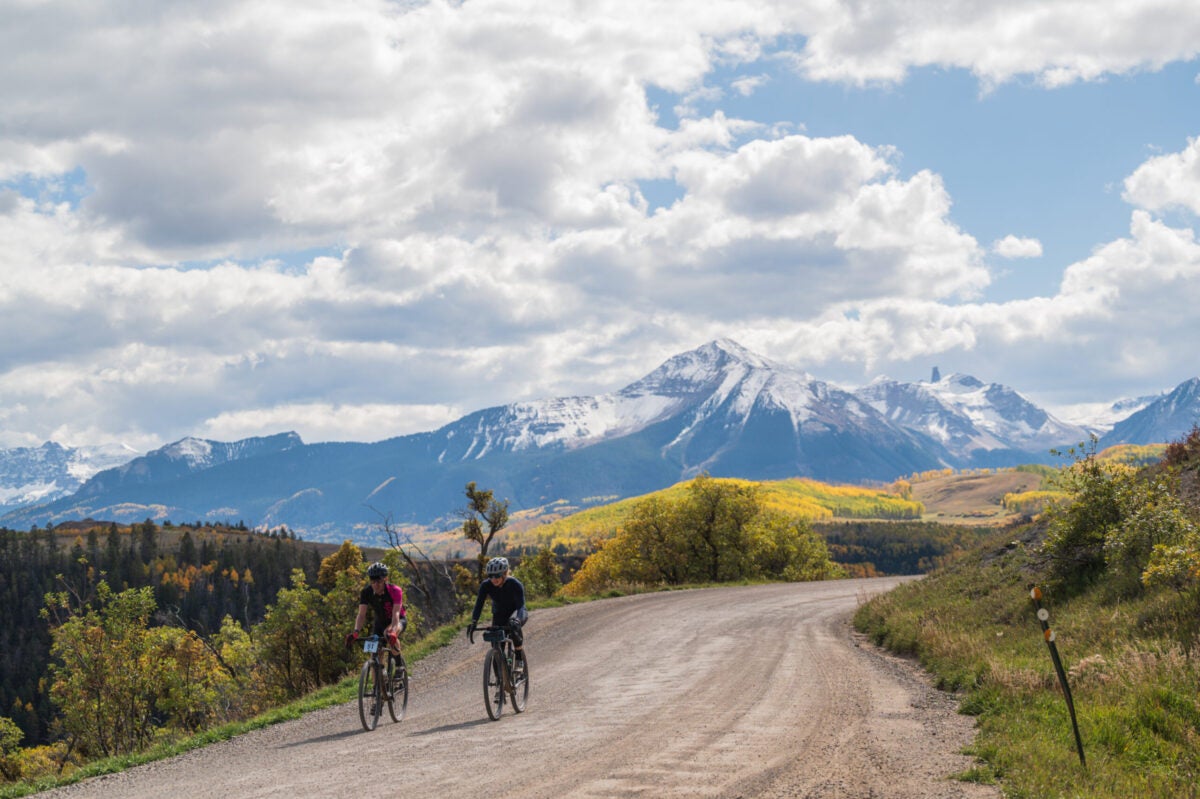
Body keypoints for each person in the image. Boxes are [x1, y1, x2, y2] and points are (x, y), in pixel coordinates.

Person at [466, 556, 528, 653]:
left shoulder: (515, 584)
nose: (494, 579)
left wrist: (518, 621)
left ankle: (519, 656)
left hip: (516, 612)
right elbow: (479, 604)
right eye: (490, 576)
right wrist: (474, 622)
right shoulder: (485, 585)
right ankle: (498, 661)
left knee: (513, 625)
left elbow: (521, 606)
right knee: (496, 645)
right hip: (499, 613)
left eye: (497, 575)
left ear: (504, 573)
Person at [345, 561, 407, 657]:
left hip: (398, 620)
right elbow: (361, 615)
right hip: (380, 623)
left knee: (388, 634)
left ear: (385, 579)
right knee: (375, 655)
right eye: (373, 581)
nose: (375, 585)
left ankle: (399, 667)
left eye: (379, 581)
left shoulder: (395, 590)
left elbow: (396, 613)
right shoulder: (366, 592)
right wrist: (355, 632)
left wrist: (394, 631)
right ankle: (378, 669)